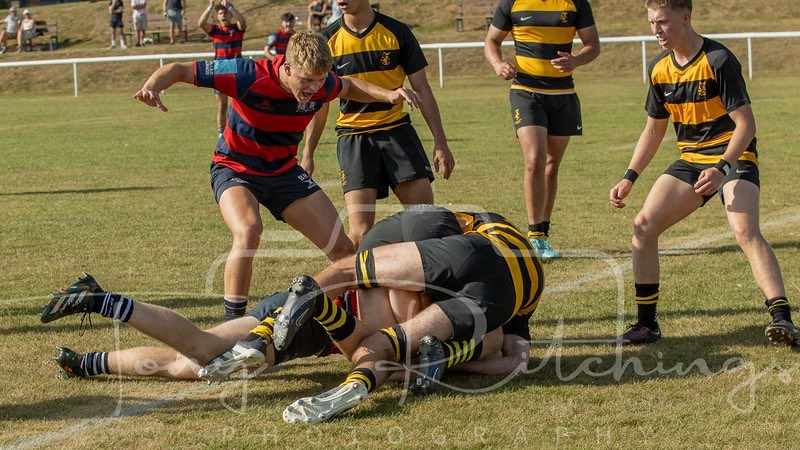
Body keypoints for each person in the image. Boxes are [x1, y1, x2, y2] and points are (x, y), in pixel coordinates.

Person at [132, 31, 421, 321]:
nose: (313, 89)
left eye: (320, 80)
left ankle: (358, 317)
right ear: (286, 67)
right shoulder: (246, 74)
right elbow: (181, 70)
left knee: (344, 249)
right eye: (306, 80)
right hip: (236, 168)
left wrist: (390, 94)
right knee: (248, 231)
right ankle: (233, 328)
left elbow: (347, 86)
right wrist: (152, 86)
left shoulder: (322, 84)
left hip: (284, 172)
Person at [609, 0, 798, 346]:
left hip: (732, 153)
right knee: (643, 226)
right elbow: (653, 130)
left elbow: (746, 124)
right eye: (652, 22)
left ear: (685, 17)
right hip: (691, 159)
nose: (656, 30)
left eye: (663, 22)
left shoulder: (718, 60)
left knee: (744, 229)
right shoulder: (659, 69)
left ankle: (782, 317)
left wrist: (722, 168)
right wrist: (630, 175)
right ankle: (646, 325)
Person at [259, 207, 543, 423]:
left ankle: (294, 308)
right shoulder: (526, 300)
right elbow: (516, 363)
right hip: (498, 300)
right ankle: (359, 383)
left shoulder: (483, 221)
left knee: (349, 271)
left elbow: (435, 222)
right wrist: (456, 367)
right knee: (388, 344)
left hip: (474, 251)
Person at [303, 0, 455, 247]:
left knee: (425, 221)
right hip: (354, 139)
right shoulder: (327, 40)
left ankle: (429, 284)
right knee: (360, 232)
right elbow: (321, 104)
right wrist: (308, 153)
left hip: (397, 133)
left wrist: (441, 143)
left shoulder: (397, 32)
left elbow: (423, 90)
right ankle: (358, 285)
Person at [484, 0, 600, 261]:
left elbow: (593, 44)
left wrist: (577, 59)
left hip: (563, 93)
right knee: (534, 159)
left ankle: (542, 234)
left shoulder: (576, 3)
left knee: (551, 163)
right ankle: (534, 236)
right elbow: (492, 40)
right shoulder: (512, 4)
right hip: (526, 91)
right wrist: (497, 63)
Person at [198, 0, 247, 138]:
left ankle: (239, 132)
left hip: (237, 71)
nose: (223, 15)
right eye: (220, 13)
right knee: (222, 105)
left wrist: (230, 6)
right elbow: (200, 24)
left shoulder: (237, 28)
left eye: (226, 12)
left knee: (239, 105)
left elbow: (242, 20)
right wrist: (209, 7)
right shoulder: (215, 30)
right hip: (219, 72)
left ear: (230, 15)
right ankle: (221, 134)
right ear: (218, 17)